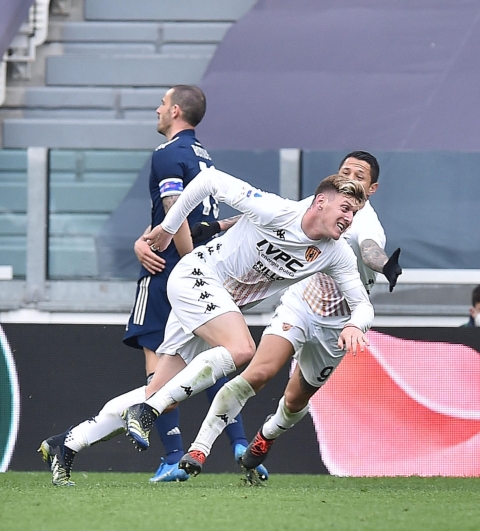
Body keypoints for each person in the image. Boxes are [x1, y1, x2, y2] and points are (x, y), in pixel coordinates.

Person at [38, 170, 373, 486]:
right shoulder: (275, 210)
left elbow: (362, 303)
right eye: (345, 208)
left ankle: (67, 444)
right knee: (242, 349)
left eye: (354, 213)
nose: (348, 218)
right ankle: (147, 412)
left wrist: (356, 324)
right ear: (320, 202)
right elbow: (209, 180)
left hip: (215, 306)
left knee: (161, 392)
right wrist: (169, 228)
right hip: (197, 278)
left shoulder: (336, 253)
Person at [173, 151, 402, 479]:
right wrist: (219, 225)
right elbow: (279, 219)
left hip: (338, 325)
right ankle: (200, 448)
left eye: (360, 176)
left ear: (373, 188)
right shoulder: (324, 201)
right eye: (345, 171)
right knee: (259, 372)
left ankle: (267, 435)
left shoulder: (365, 222)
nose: (351, 178)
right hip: (302, 303)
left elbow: (369, 249)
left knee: (295, 400)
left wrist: (386, 266)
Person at [106, 84, 260, 483]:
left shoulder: (166, 154)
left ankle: (173, 454)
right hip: (207, 273)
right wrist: (150, 236)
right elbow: (186, 214)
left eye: (161, 103)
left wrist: (187, 261)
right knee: (215, 360)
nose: (157, 109)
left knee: (159, 365)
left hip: (169, 272)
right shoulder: (202, 157)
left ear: (175, 111)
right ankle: (240, 444)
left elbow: (175, 210)